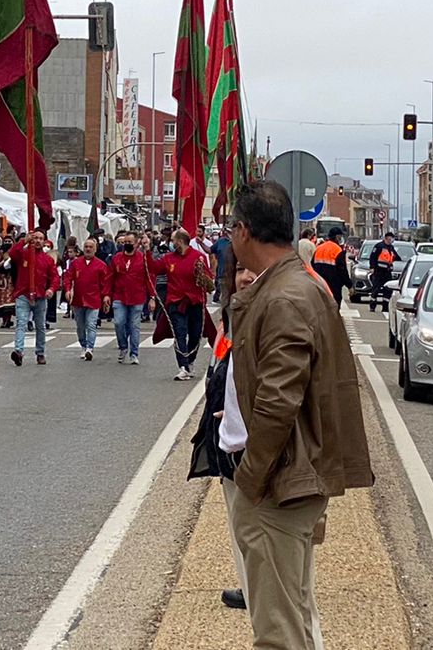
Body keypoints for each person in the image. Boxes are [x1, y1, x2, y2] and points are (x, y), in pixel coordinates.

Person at [224, 179, 372, 650]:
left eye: (231, 228)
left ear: (244, 231)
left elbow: (277, 404)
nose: (229, 238)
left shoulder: (285, 297)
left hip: (279, 485)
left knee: (278, 633)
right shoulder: (292, 286)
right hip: (290, 479)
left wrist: (250, 478)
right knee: (293, 620)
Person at [186, 253, 260, 613]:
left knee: (254, 523)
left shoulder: (265, 315)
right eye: (240, 270)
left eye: (252, 270)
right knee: (239, 522)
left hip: (251, 439)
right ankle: (250, 585)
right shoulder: (231, 315)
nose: (245, 277)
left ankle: (259, 588)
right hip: (226, 433)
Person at [165, 232, 211, 381]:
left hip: (195, 302)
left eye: (173, 241)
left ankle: (190, 361)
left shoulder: (199, 257)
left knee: (195, 334)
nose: (171, 243)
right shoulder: (169, 258)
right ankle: (183, 366)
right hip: (176, 303)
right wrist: (146, 249)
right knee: (180, 333)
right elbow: (153, 267)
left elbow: (209, 283)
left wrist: (202, 274)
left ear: (180, 241)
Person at [10, 233, 55, 366]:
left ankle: (40, 353)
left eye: (40, 239)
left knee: (40, 326)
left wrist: (51, 289)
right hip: (23, 294)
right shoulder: (23, 254)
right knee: (21, 323)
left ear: (44, 241)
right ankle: (18, 351)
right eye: (35, 238)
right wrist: (23, 241)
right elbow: (12, 254)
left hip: (40, 296)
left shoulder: (48, 260)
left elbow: (54, 277)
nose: (37, 241)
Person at [109, 233, 152, 365]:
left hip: (137, 297)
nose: (126, 244)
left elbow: (149, 278)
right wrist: (106, 295)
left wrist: (152, 297)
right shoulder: (116, 258)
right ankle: (123, 346)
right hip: (119, 296)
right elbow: (110, 277)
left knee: (134, 326)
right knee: (119, 322)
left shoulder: (142, 258)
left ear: (136, 243)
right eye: (125, 242)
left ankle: (134, 353)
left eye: (129, 242)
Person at [62, 240, 109, 361]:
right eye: (86, 247)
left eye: (90, 247)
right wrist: (67, 290)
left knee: (91, 324)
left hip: (93, 300)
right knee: (80, 326)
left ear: (95, 249)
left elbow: (105, 284)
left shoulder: (101, 265)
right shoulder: (76, 263)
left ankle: (90, 348)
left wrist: (106, 297)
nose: (88, 249)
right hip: (78, 300)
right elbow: (68, 278)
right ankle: (83, 345)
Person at [310, 228, 349, 308]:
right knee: (334, 311)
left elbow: (312, 266)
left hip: (319, 285)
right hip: (333, 286)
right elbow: (342, 271)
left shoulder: (319, 248)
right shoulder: (338, 250)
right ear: (337, 237)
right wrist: (349, 285)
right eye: (340, 236)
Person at [366, 234, 398, 313]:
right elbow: (372, 257)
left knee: (387, 290)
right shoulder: (379, 246)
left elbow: (395, 256)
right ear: (387, 238)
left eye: (392, 239)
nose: (391, 241)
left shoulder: (391, 248)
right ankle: (372, 306)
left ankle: (385, 307)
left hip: (387, 272)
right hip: (379, 271)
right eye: (390, 239)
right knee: (376, 289)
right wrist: (372, 267)